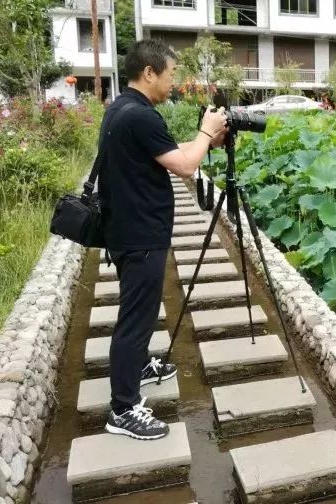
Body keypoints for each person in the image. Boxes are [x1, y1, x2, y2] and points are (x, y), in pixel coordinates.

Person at [99, 40, 227, 440]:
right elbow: (187, 167)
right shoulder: (140, 116)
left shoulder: (125, 108)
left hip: (129, 229)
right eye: (171, 74)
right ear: (150, 72)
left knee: (140, 311)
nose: (174, 82)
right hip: (139, 235)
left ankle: (136, 367)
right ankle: (123, 408)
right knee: (135, 320)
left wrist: (206, 140)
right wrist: (205, 134)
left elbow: (172, 155)